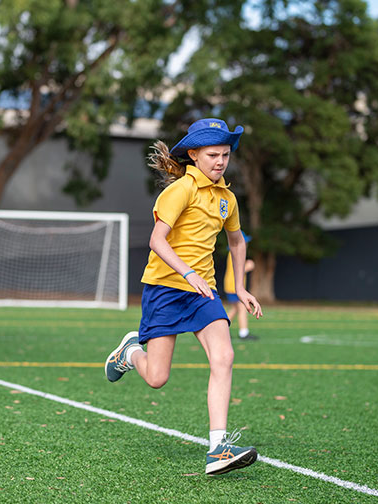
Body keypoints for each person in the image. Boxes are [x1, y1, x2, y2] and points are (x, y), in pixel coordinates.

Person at [104, 118, 263, 476]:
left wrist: (239, 288)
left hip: (203, 292)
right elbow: (156, 241)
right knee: (157, 377)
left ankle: (218, 448)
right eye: (212, 154)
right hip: (166, 290)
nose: (220, 161)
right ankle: (131, 351)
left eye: (225, 154)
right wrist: (187, 272)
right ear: (193, 155)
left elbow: (236, 241)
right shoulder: (180, 191)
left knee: (224, 356)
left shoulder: (228, 198)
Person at [223, 232, 258, 340]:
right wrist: (249, 266)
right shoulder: (236, 252)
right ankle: (243, 333)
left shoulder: (234, 253)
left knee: (235, 309)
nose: (246, 244)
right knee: (242, 308)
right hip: (233, 286)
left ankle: (223, 330)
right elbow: (238, 270)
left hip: (231, 286)